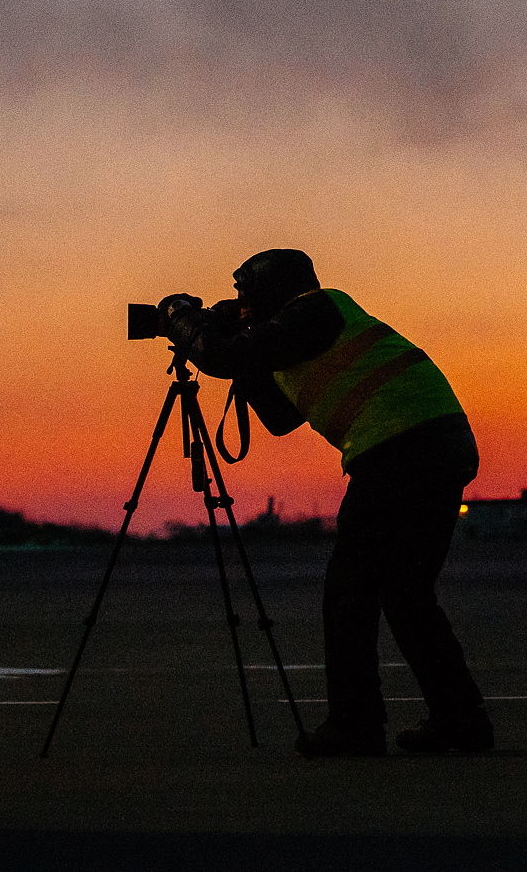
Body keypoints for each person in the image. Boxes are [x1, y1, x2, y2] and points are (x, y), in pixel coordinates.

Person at [160, 249, 492, 758]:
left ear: (269, 291)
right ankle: (460, 720)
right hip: (433, 445)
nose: (240, 304)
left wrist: (182, 321)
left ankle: (355, 726)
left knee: (349, 591)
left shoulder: (317, 309)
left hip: (400, 450)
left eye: (245, 294)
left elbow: (223, 359)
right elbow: (277, 417)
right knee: (405, 593)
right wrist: (236, 346)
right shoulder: (304, 331)